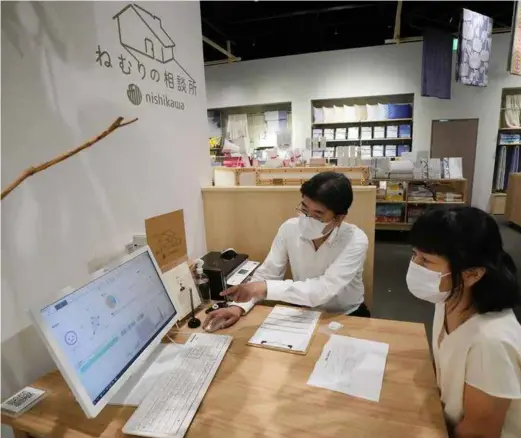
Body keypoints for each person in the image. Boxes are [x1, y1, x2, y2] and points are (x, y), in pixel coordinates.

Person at [202, 171, 369, 333]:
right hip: (304, 314)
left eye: (318, 214)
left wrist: (264, 288)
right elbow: (269, 273)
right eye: (304, 208)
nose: (307, 219)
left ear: (339, 218)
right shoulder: (290, 229)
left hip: (347, 316)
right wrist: (238, 306)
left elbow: (322, 290)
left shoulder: (355, 240)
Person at [407, 207, 521, 438]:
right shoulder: (447, 298)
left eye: (426, 261)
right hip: (441, 420)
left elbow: (479, 432)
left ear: (472, 274)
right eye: (414, 254)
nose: (414, 264)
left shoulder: (491, 342)